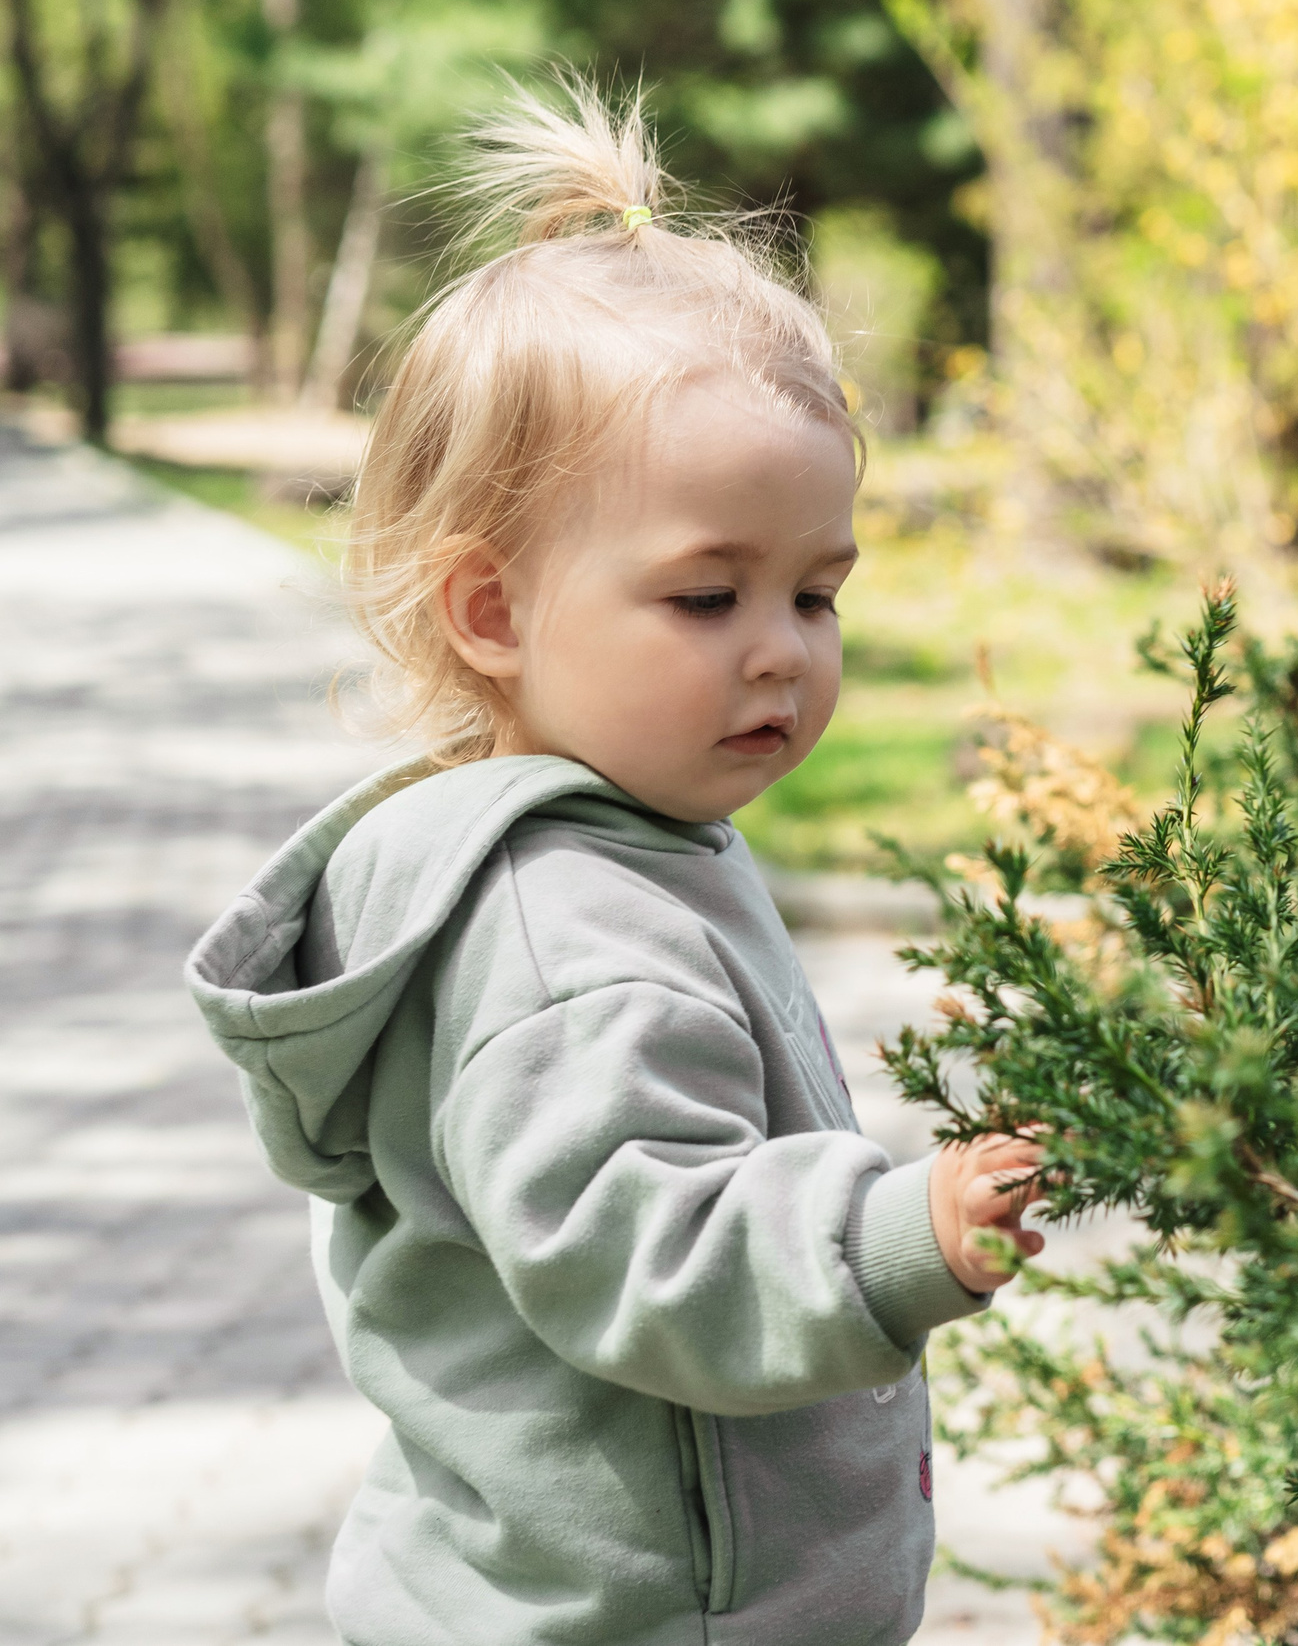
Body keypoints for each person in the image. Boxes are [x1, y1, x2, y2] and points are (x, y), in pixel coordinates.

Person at [185, 82, 1044, 1646]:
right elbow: (643, 1239)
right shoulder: (558, 927)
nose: (783, 655)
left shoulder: (624, 847)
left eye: (818, 595)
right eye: (709, 600)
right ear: (494, 614)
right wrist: (894, 1230)